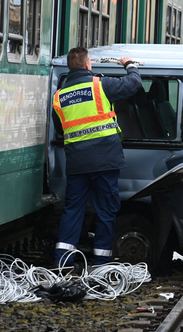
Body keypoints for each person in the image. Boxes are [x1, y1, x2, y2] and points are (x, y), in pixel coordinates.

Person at [52, 47, 142, 266]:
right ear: (87, 65)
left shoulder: (58, 96)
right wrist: (129, 64)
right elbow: (134, 84)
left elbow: (61, 128)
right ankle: (100, 262)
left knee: (73, 210)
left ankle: (63, 261)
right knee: (106, 210)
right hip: (105, 159)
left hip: (77, 163)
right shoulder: (100, 85)